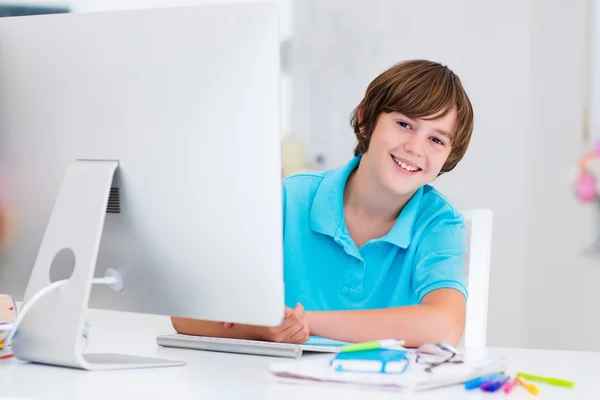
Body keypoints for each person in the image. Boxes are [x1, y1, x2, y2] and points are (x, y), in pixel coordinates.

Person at [171, 59, 474, 347]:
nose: (414, 147)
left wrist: (307, 323)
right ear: (365, 120)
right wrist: (265, 327)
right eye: (404, 124)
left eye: (436, 140)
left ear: (449, 156)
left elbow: (444, 326)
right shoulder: (290, 199)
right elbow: (186, 313)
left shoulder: (439, 223)